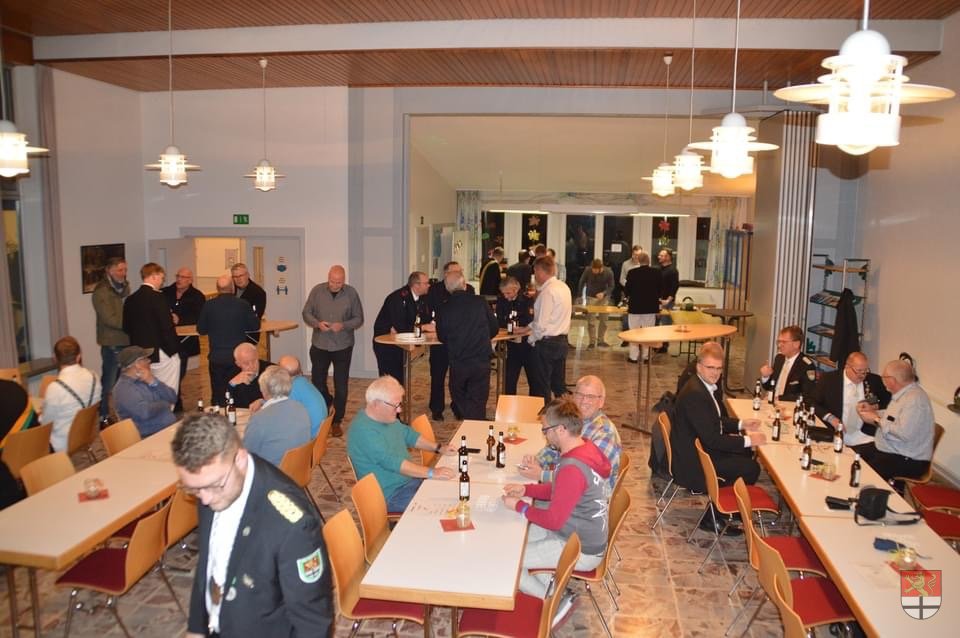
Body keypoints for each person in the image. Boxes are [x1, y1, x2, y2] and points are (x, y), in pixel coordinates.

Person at [173, 413, 333, 638]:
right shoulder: (210, 484)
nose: (205, 500)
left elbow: (313, 623)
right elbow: (209, 562)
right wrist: (196, 628)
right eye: (194, 489)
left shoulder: (292, 524)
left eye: (214, 486)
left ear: (239, 459)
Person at [502, 397, 610, 605]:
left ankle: (557, 603)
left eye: (545, 430)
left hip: (579, 548)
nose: (545, 435)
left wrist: (519, 506)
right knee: (514, 539)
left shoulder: (572, 466)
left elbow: (553, 521)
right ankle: (554, 588)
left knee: (509, 559)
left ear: (560, 429)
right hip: (578, 533)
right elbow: (560, 490)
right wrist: (526, 489)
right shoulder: (584, 448)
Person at [671, 344, 766, 513]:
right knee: (751, 468)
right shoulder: (695, 394)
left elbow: (713, 420)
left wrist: (741, 424)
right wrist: (749, 440)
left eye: (718, 368)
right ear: (699, 367)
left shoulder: (702, 385)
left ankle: (729, 504)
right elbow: (713, 440)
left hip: (700, 448)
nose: (715, 373)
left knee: (745, 453)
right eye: (710, 368)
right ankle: (719, 513)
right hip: (694, 463)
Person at [346, 375, 456, 511]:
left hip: (408, 481)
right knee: (443, 509)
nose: (399, 410)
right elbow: (393, 462)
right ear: (376, 404)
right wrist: (432, 472)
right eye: (395, 405)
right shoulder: (364, 431)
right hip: (390, 495)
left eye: (400, 404)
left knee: (452, 493)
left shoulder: (386, 418)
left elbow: (409, 435)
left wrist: (439, 448)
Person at [520, 375, 621, 490]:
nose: (584, 401)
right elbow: (553, 449)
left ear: (601, 402)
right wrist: (537, 461)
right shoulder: (573, 419)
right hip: (565, 486)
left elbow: (582, 477)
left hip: (585, 497)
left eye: (590, 397)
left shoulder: (605, 434)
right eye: (579, 395)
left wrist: (542, 475)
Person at [302, 265, 364, 437]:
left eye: (339, 282)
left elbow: (359, 318)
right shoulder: (317, 291)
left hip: (342, 345)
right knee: (317, 382)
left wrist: (343, 325)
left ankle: (337, 420)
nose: (335, 285)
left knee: (341, 385)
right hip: (320, 344)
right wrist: (317, 323)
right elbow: (306, 313)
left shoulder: (351, 293)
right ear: (328, 277)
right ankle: (327, 404)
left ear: (344, 280)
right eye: (332, 281)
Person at [855, 359, 935, 483]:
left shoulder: (915, 400)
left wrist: (876, 419)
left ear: (892, 380)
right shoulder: (904, 393)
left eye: (884, 377)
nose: (883, 380)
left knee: (862, 473)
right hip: (891, 448)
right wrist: (874, 412)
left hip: (907, 458)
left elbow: (903, 433)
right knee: (852, 454)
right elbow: (892, 417)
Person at [435, 269, 499, 420]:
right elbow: (494, 328)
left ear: (447, 288)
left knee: (458, 394)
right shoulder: (480, 302)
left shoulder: (444, 308)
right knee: (479, 397)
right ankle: (477, 421)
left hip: (459, 360)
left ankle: (473, 421)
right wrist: (482, 339)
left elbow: (442, 336)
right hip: (480, 358)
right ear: (464, 285)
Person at [198, 275, 260, 407]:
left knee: (217, 391)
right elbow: (255, 326)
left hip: (216, 357)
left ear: (217, 289)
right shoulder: (242, 304)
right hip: (237, 358)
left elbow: (201, 330)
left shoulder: (208, 305)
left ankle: (218, 411)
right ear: (232, 288)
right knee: (238, 389)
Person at [813, 351, 891, 453]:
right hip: (835, 432)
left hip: (864, 436)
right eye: (858, 371)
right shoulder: (829, 379)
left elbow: (887, 401)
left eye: (865, 371)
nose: (862, 375)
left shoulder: (874, 380)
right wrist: (830, 418)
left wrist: (875, 407)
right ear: (847, 367)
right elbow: (812, 402)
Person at [122, 262, 181, 395]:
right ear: (153, 276)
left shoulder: (130, 300)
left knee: (146, 387)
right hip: (160, 351)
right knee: (167, 387)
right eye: (161, 278)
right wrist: (174, 349)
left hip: (139, 354)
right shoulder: (158, 297)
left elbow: (126, 327)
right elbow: (166, 326)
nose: (162, 282)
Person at [427, 261, 475, 421]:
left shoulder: (469, 289)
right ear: (446, 273)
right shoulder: (434, 290)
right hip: (440, 340)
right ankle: (436, 408)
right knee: (437, 376)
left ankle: (459, 407)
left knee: (460, 378)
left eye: (460, 271)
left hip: (461, 342)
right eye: (456, 271)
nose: (459, 274)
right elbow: (432, 311)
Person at [371, 271, 433, 384]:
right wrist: (423, 327)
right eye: (426, 283)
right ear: (416, 285)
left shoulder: (422, 298)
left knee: (400, 379)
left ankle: (401, 395)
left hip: (400, 343)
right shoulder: (397, 298)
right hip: (387, 344)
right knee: (390, 381)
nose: (429, 285)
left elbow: (424, 317)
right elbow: (401, 327)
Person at [243, 366, 311, 467]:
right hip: (299, 469)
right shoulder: (301, 408)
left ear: (263, 390)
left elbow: (246, 455)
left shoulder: (259, 419)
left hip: (273, 473)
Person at [524, 255, 571, 401]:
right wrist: (527, 328)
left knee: (541, 387)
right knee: (559, 386)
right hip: (562, 342)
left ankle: (544, 415)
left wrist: (531, 339)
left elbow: (541, 324)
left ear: (539, 271)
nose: (535, 276)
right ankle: (564, 413)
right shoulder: (564, 287)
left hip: (546, 345)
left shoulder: (547, 292)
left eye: (535, 272)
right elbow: (551, 318)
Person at [44, 336, 102, 453]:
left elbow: (46, 424)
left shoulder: (55, 388)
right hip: (87, 434)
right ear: (79, 356)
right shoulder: (94, 377)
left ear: (55, 358)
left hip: (62, 443)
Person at [91, 256, 130, 423]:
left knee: (122, 381)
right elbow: (109, 319)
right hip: (111, 342)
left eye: (125, 270)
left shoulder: (124, 287)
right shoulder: (101, 291)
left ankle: (119, 412)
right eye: (120, 270)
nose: (124, 273)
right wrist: (131, 324)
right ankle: (103, 415)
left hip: (124, 340)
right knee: (109, 381)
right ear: (110, 271)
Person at [162, 267, 206, 411]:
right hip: (166, 341)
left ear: (190, 280)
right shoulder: (165, 292)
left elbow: (200, 318)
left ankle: (175, 401)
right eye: (178, 276)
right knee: (168, 373)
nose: (179, 279)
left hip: (185, 342)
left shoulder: (197, 296)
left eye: (183, 277)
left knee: (179, 373)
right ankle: (174, 402)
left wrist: (180, 319)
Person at [113, 345, 177, 437]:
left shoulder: (147, 378)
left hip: (167, 429)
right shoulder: (123, 389)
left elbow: (173, 397)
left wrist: (154, 382)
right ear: (137, 364)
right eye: (145, 359)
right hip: (149, 436)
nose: (149, 361)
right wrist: (164, 404)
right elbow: (144, 412)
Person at [496, 276, 535, 394]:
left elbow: (530, 320)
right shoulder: (502, 301)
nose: (505, 296)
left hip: (528, 345)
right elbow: (500, 320)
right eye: (503, 293)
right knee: (509, 380)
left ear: (516, 289)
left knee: (534, 380)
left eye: (508, 293)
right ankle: (509, 402)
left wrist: (519, 327)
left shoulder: (527, 301)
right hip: (512, 345)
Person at [760, 325, 817, 402]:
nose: (779, 345)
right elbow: (769, 387)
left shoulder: (807, 366)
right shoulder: (779, 358)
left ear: (796, 344)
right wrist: (766, 377)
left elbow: (807, 395)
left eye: (784, 342)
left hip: (789, 405)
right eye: (778, 342)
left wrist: (779, 399)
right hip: (772, 402)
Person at [623, 251, 662, 363]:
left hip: (635, 307)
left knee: (633, 332)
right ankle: (646, 356)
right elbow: (660, 289)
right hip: (650, 307)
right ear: (648, 261)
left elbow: (627, 290)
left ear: (639, 261)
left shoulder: (632, 272)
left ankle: (633, 357)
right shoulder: (656, 272)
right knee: (648, 332)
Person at [278, 355, 328, 438]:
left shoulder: (292, 389)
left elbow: (285, 417)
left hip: (310, 438)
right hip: (319, 431)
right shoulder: (303, 381)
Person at [576, 258, 614, 348]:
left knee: (604, 321)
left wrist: (604, 293)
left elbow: (611, 286)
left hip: (603, 299)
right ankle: (592, 342)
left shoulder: (608, 272)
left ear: (601, 268)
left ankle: (601, 340)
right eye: (593, 269)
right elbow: (581, 282)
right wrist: (580, 295)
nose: (594, 271)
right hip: (590, 297)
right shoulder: (588, 270)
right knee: (591, 321)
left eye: (596, 270)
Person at [227, 343, 272, 410]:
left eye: (254, 361)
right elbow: (224, 403)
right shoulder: (231, 374)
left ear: (257, 356)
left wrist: (264, 401)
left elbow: (281, 397)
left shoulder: (271, 371)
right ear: (238, 364)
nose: (251, 366)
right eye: (246, 363)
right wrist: (232, 384)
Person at [231, 262, 267, 346]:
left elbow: (256, 316)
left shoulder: (258, 292)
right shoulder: (229, 289)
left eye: (241, 275)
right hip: (230, 336)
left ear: (247, 275)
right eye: (235, 277)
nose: (238, 279)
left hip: (248, 336)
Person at [655, 248, 679, 335]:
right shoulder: (658, 269)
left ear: (668, 257)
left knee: (666, 326)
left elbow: (675, 286)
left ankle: (665, 343)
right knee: (654, 326)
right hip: (657, 302)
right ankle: (656, 342)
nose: (659, 257)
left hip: (667, 303)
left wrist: (668, 300)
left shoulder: (673, 270)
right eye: (659, 255)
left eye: (661, 255)